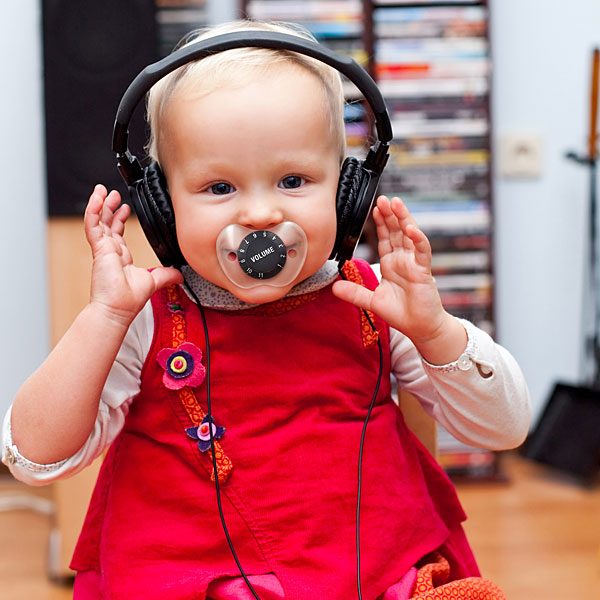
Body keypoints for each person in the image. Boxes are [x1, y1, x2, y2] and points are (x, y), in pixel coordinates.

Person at [2, 19, 530, 600]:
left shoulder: (377, 298)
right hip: (194, 577)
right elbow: (33, 459)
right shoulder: (144, 315)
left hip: (376, 572)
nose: (258, 214)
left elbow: (502, 429)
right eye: (219, 188)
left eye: (293, 179)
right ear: (161, 206)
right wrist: (102, 318)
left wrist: (435, 332)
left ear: (346, 191)